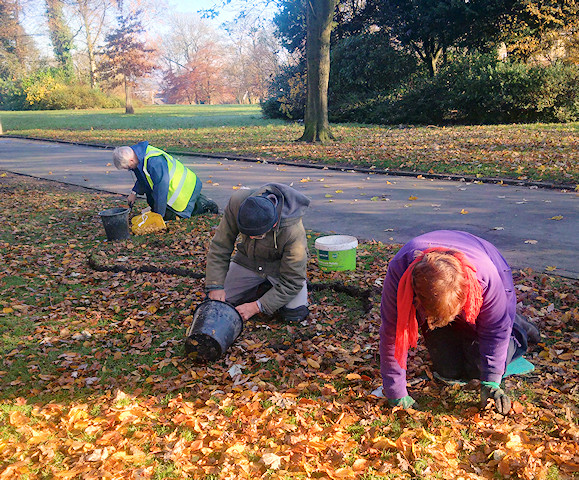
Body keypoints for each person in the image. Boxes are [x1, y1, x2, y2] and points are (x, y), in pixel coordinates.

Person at [379, 230, 540, 414]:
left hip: (490, 288)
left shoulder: (486, 277)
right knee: (448, 370)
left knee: (479, 368)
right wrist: (396, 393)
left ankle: (517, 328)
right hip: (437, 300)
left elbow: (495, 332)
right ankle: (449, 323)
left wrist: (491, 382)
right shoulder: (400, 272)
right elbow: (392, 333)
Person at [205, 183, 311, 323]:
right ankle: (261, 288)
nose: (251, 238)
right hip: (249, 261)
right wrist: (215, 285)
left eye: (257, 236)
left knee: (294, 314)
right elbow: (220, 245)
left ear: (273, 225)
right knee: (218, 300)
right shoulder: (237, 203)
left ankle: (266, 292)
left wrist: (257, 306)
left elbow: (292, 281)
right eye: (247, 234)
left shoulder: (293, 231)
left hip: (280, 270)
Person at [112, 141, 218, 220]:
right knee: (161, 209)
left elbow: (161, 190)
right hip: (184, 186)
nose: (129, 169)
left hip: (186, 189)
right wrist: (134, 192)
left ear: (131, 160)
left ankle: (204, 205)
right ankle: (196, 202)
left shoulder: (154, 162)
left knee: (174, 217)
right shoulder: (139, 155)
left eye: (128, 167)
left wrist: (158, 216)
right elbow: (143, 178)